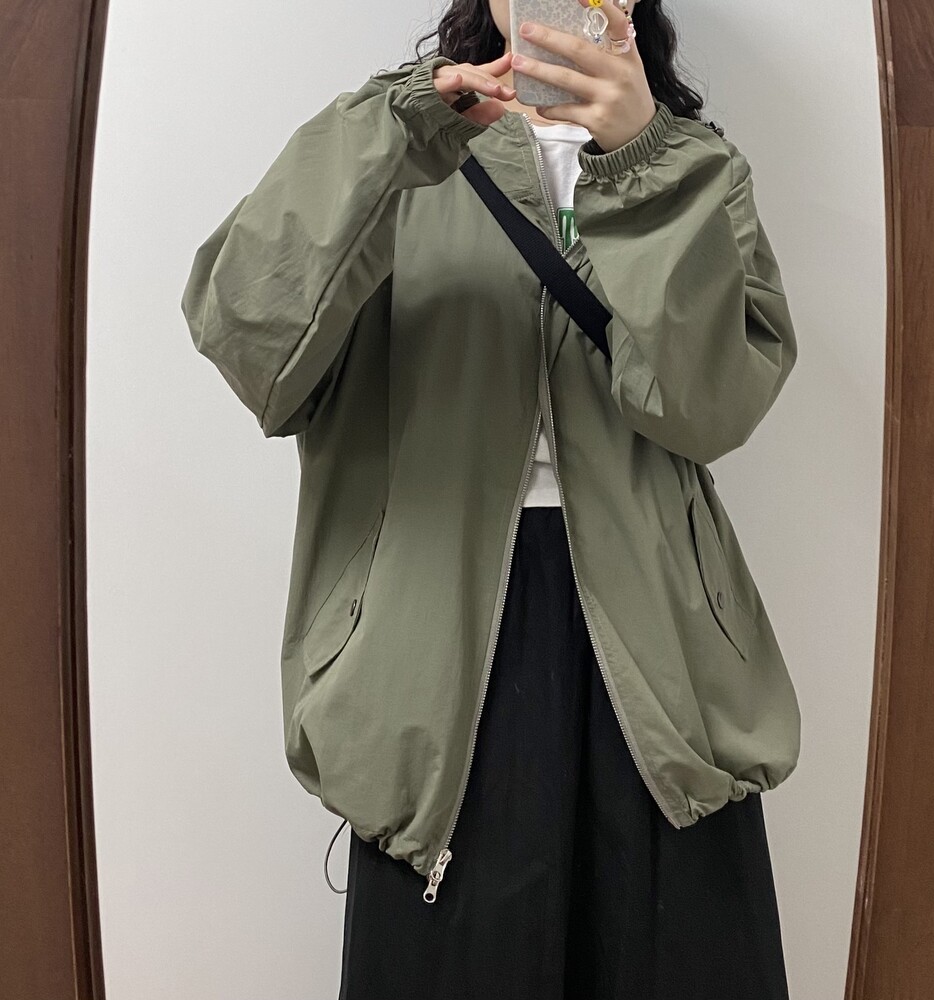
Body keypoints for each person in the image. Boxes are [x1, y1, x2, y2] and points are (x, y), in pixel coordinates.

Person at [181, 0, 801, 995]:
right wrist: (400, 130)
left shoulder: (694, 168)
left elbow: (710, 406)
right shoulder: (398, 149)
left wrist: (642, 162)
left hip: (662, 663)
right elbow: (248, 338)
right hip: (430, 646)